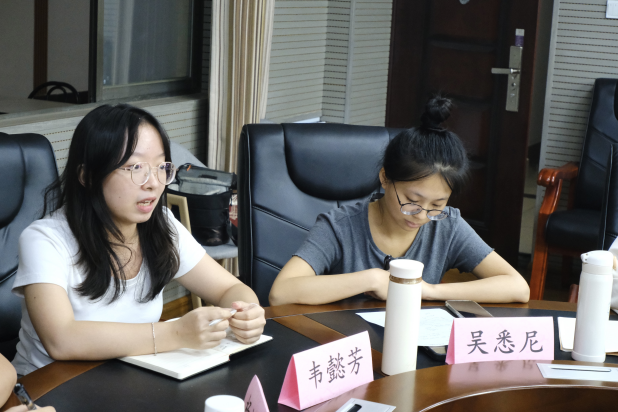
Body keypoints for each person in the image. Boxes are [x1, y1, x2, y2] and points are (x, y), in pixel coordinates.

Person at [11, 104, 265, 377]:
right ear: (88, 176)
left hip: (131, 379)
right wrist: (175, 333)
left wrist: (246, 312)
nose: (153, 183)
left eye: (161, 167)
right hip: (50, 387)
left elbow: (230, 289)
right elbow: (61, 340)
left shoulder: (162, 224)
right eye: (135, 167)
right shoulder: (44, 240)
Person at [269, 96, 530, 306]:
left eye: (437, 205)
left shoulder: (447, 226)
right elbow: (281, 293)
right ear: (385, 178)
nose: (422, 215)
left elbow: (517, 287)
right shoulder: (340, 226)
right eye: (412, 200)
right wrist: (373, 279)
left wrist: (428, 291)